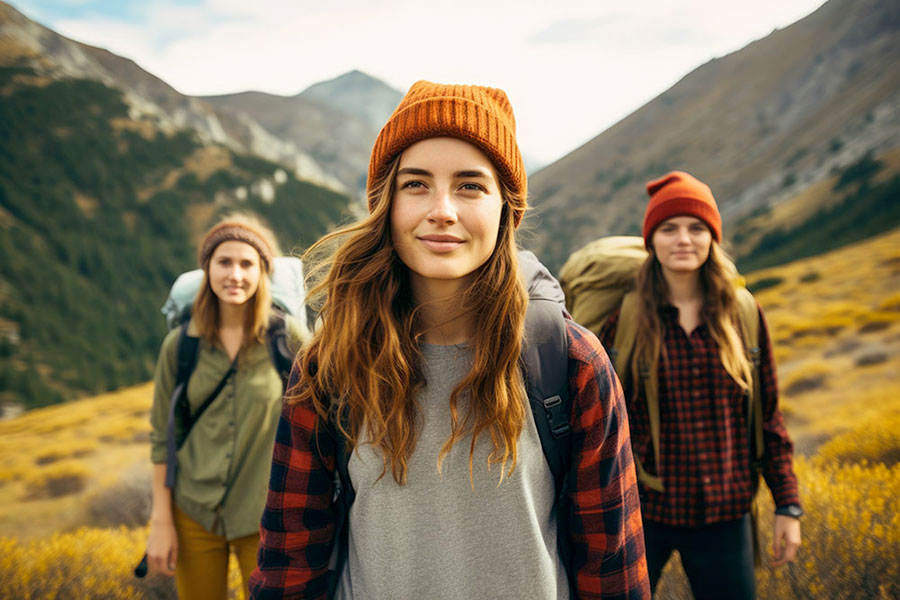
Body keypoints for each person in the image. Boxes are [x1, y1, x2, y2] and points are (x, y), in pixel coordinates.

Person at [248, 81, 651, 600]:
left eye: (470, 186)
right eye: (415, 184)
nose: (442, 209)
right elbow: (288, 559)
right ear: (385, 204)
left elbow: (613, 564)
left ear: (507, 208)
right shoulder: (332, 363)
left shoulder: (569, 362)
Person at [598, 172, 802, 599]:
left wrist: (787, 504)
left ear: (713, 237)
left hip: (725, 517)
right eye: (668, 229)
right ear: (651, 240)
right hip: (645, 513)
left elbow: (768, 417)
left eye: (696, 228)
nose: (683, 239)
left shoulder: (743, 314)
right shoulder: (628, 319)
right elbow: (603, 422)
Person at [146, 214, 306, 599]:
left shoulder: (288, 339)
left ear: (262, 272)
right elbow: (162, 438)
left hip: (268, 517)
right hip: (193, 513)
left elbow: (322, 418)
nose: (235, 274)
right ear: (207, 269)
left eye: (247, 263)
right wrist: (161, 521)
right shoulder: (180, 346)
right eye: (224, 262)